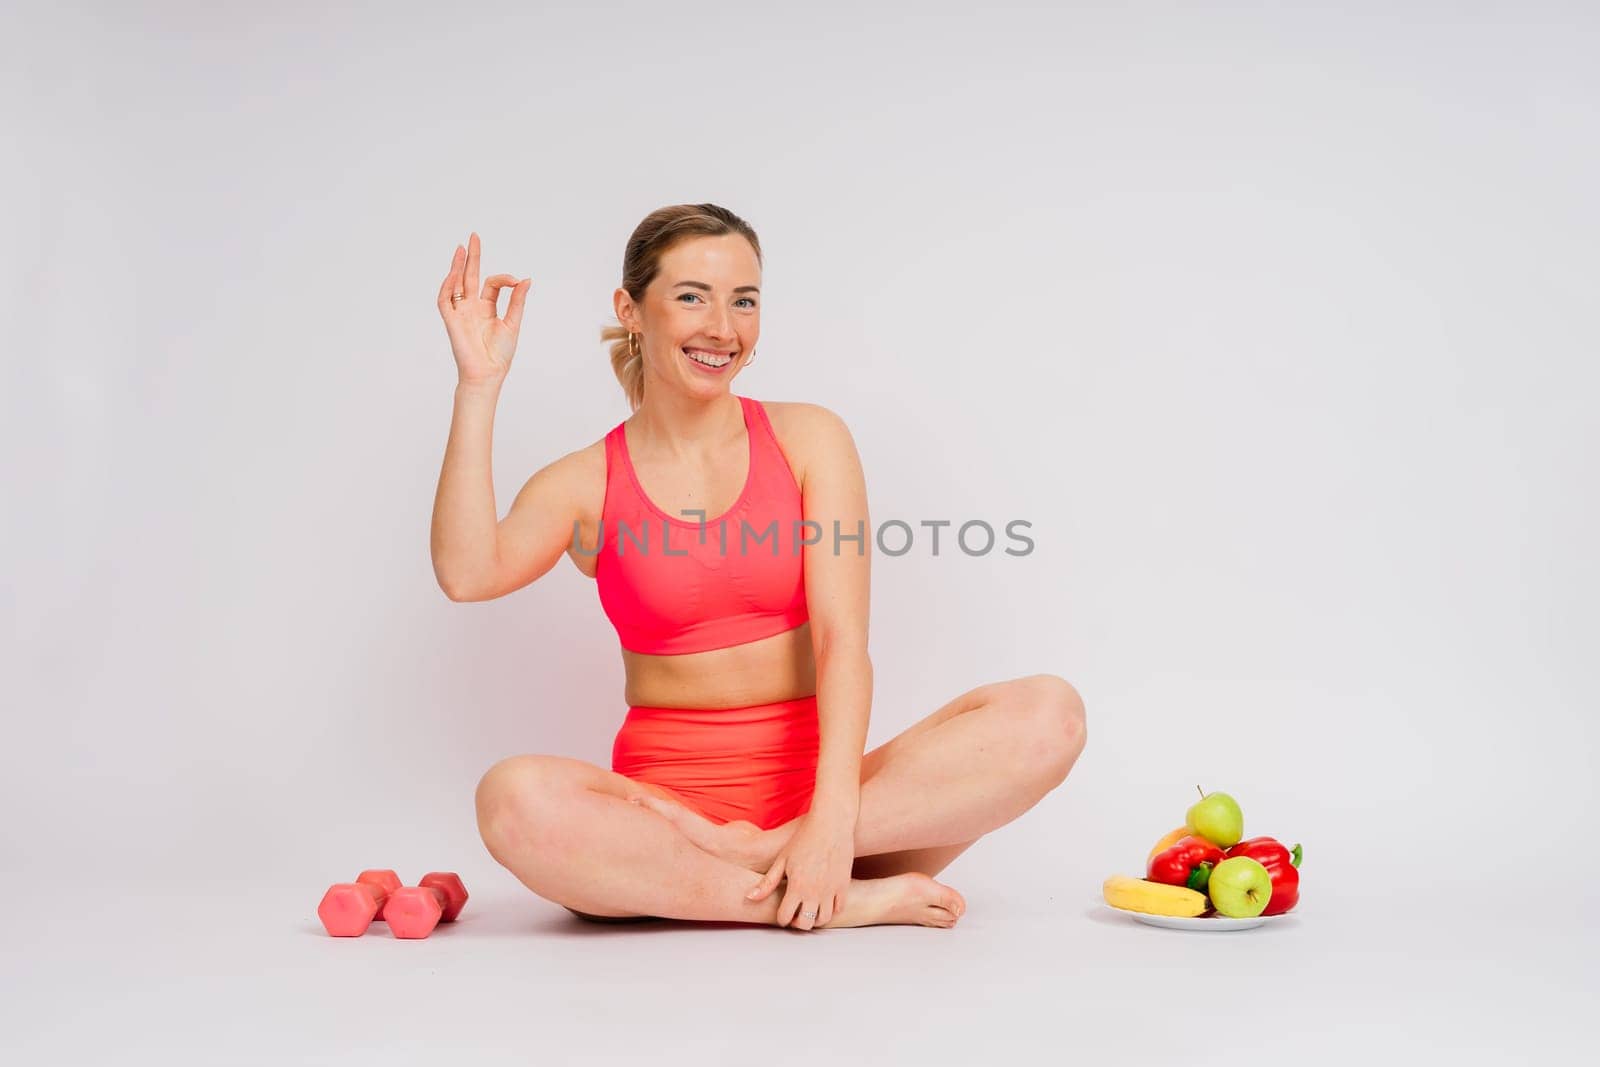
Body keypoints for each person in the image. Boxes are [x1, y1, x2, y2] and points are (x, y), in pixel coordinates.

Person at [431, 203, 1086, 931]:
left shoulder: (810, 440)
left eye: (744, 300)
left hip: (837, 816)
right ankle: (814, 903)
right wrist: (478, 386)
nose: (723, 327)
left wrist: (827, 824)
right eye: (691, 297)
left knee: (1048, 715)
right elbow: (467, 572)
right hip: (665, 836)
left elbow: (843, 643)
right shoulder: (584, 482)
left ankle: (772, 859)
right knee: (511, 797)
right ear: (631, 309)